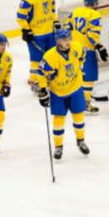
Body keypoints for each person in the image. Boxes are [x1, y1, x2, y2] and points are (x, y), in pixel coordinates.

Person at [36, 29, 89, 160]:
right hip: (58, 93)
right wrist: (42, 90)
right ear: (58, 41)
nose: (68, 42)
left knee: (78, 116)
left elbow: (83, 56)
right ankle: (58, 146)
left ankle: (81, 141)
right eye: (64, 40)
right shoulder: (50, 56)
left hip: (75, 88)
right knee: (59, 120)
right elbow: (41, 73)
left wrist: (79, 68)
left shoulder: (76, 47)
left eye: (69, 38)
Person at [16, 0, 60, 91]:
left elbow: (52, 11)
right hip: (36, 34)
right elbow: (20, 16)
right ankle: (34, 79)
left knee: (51, 55)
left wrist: (55, 21)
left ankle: (49, 76)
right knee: (37, 58)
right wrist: (26, 29)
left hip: (49, 32)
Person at [68, 0, 109, 113]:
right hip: (87, 49)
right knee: (89, 77)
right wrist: (97, 45)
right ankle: (85, 103)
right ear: (95, 3)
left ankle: (75, 99)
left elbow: (67, 27)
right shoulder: (95, 14)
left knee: (77, 74)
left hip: (73, 48)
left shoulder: (75, 11)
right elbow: (92, 34)